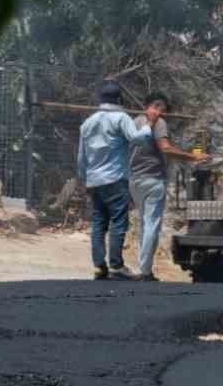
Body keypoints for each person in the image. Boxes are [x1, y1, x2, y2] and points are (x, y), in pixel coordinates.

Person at [128, 92, 209, 281]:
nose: (161, 111)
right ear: (148, 105)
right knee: (152, 226)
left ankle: (143, 267)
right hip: (153, 179)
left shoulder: (134, 121)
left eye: (163, 109)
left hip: (134, 180)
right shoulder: (159, 123)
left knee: (145, 223)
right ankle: (145, 271)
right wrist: (194, 157)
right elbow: (165, 148)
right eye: (157, 106)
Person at [76, 82, 152, 280]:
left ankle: (100, 267)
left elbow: (81, 158)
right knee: (118, 222)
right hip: (115, 179)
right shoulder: (121, 118)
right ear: (119, 100)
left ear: (100, 100)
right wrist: (148, 125)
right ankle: (117, 267)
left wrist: (84, 179)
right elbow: (137, 140)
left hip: (94, 181)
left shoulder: (88, 123)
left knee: (99, 223)